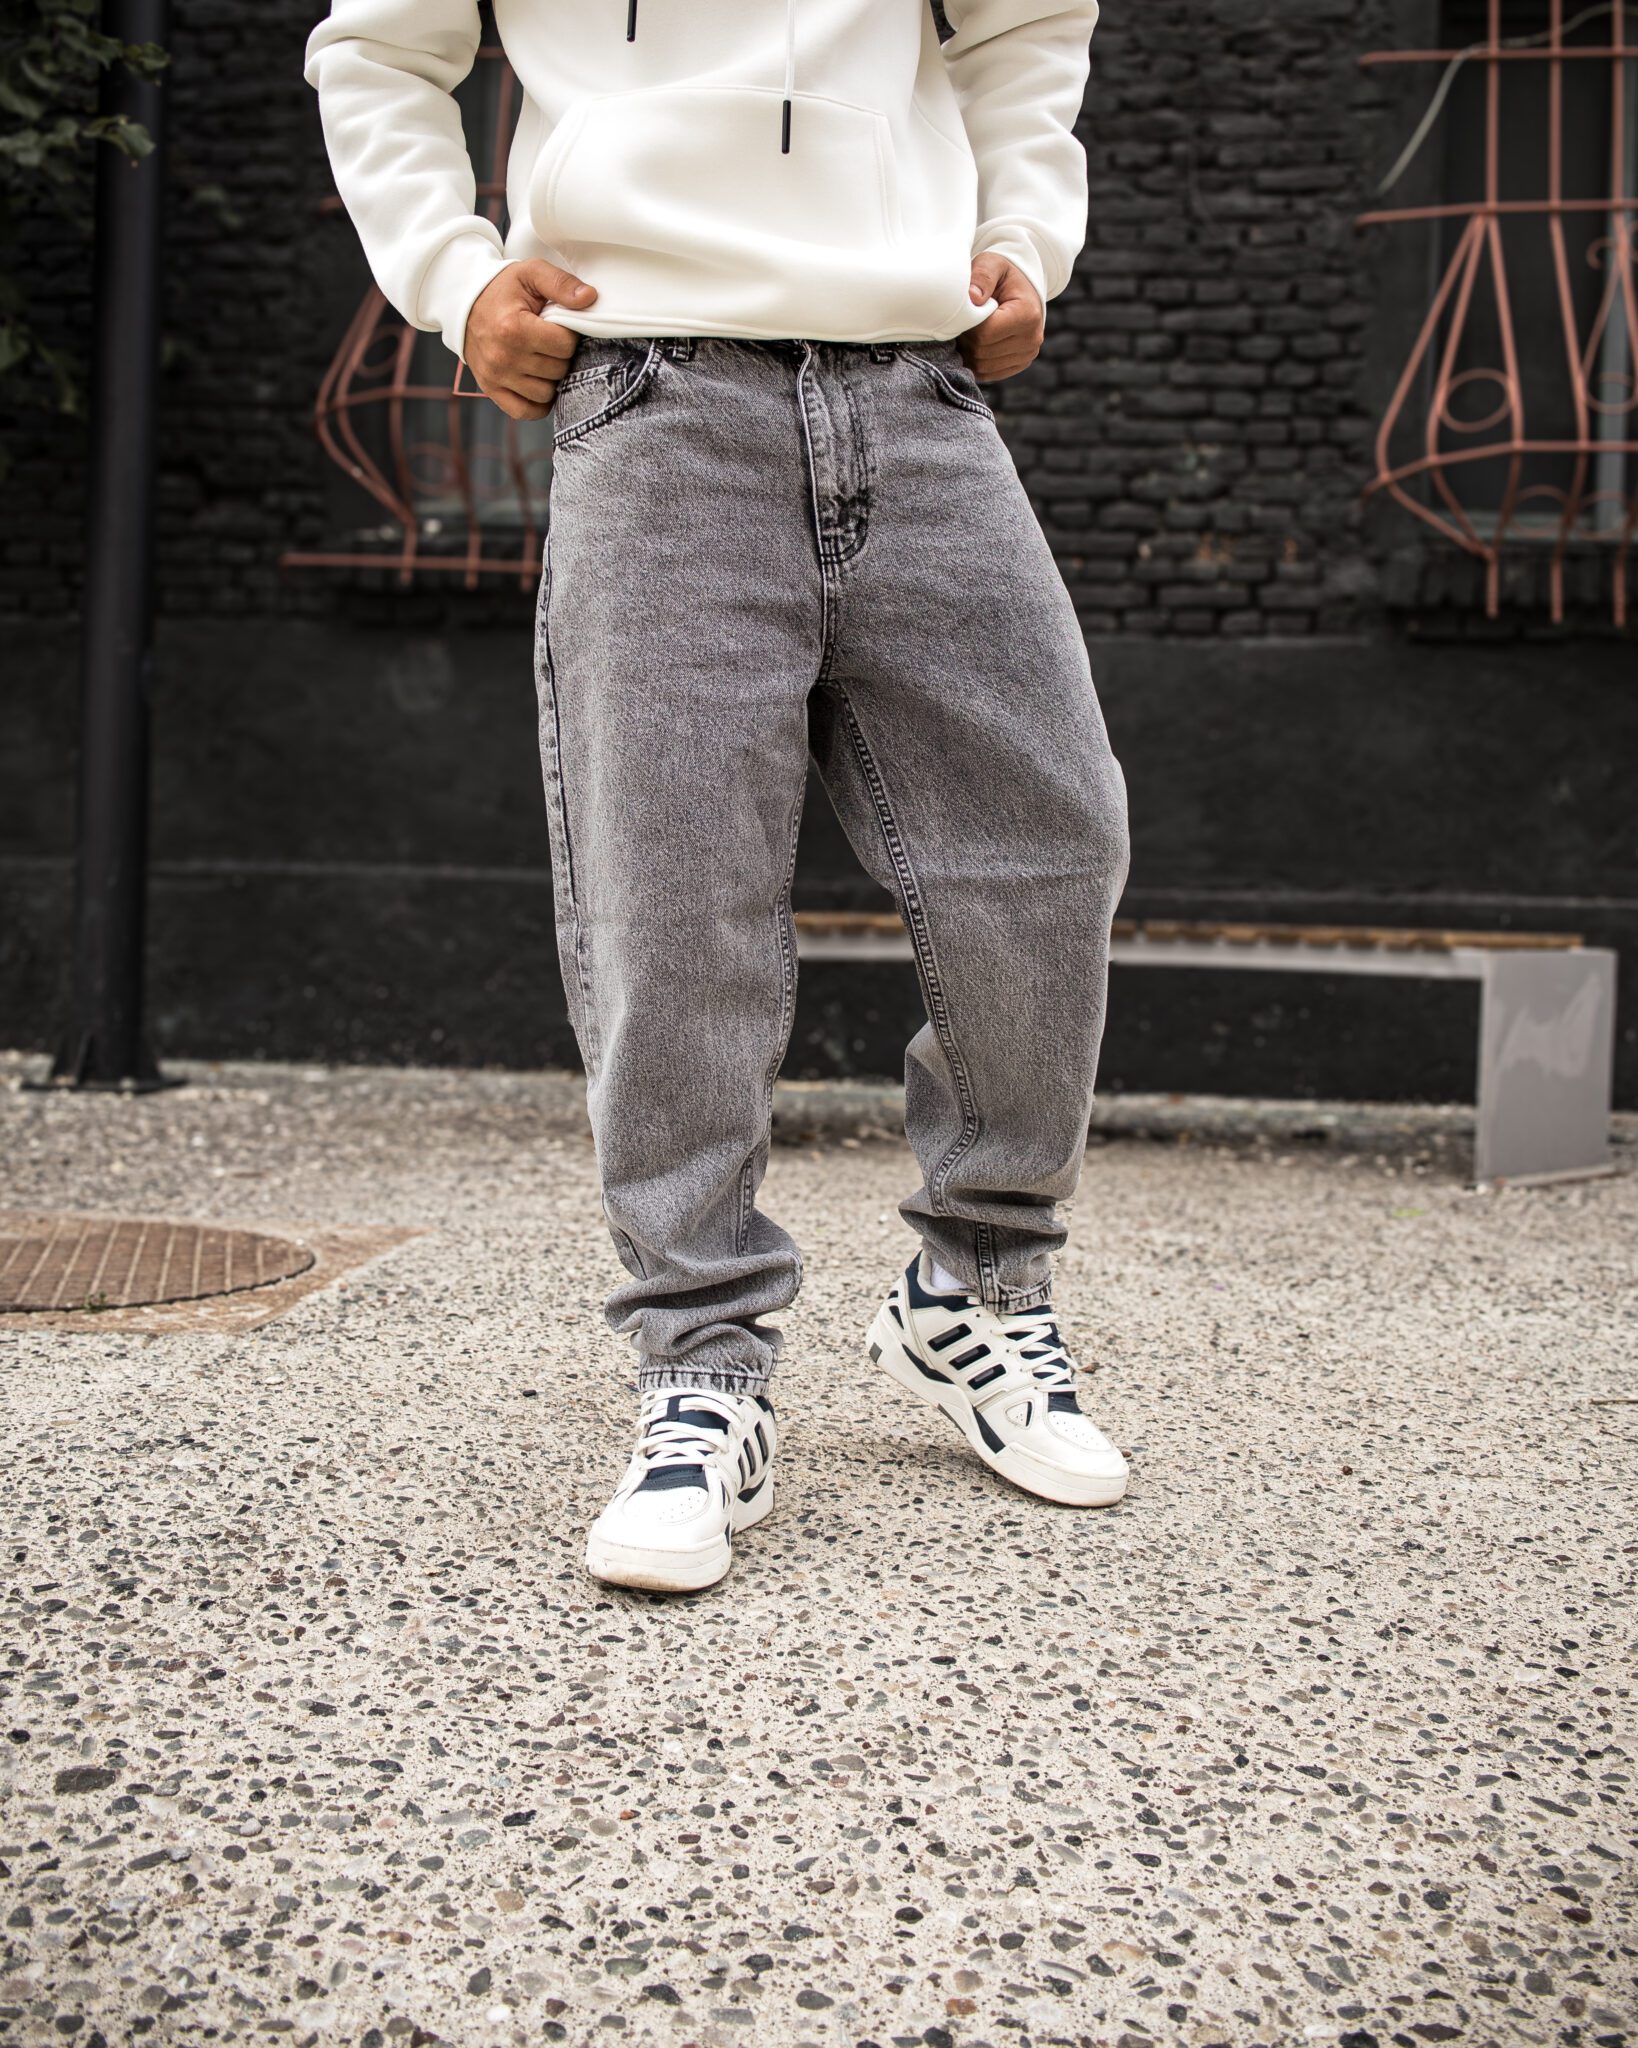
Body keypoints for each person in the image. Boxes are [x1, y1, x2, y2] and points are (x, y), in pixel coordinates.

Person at [305, 0, 1132, 1593]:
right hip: (649, 395)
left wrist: (1024, 233)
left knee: (1046, 849)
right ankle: (699, 1363)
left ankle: (973, 1290)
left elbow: (1022, 27)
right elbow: (380, 50)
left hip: (922, 392)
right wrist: (454, 277)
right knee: (674, 894)